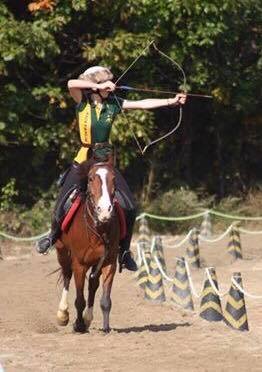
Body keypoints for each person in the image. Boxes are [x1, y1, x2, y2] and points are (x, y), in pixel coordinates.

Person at [36, 66, 187, 271]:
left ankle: (124, 252)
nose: (111, 85)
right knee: (64, 198)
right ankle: (52, 236)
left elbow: (142, 104)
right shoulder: (82, 103)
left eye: (110, 82)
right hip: (83, 159)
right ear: (95, 87)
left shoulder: (113, 105)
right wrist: (97, 84)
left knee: (130, 205)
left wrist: (171, 101)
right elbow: (71, 83)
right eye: (106, 82)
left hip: (105, 162)